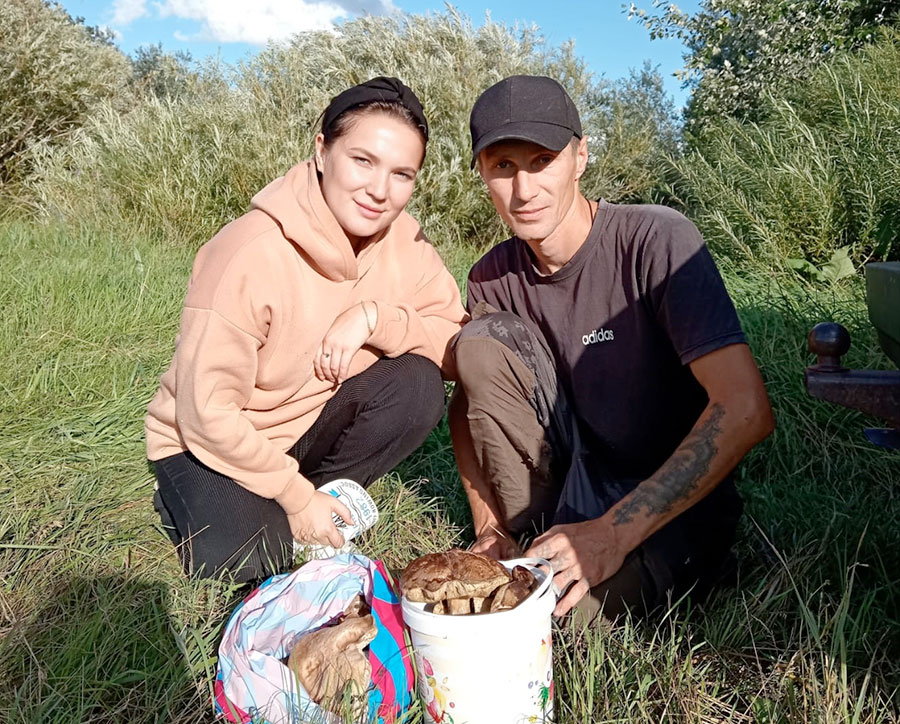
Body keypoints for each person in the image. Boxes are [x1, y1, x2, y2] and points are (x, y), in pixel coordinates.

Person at [449, 75, 775, 622]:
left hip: (666, 503)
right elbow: (465, 407)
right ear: (483, 173)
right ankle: (532, 532)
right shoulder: (490, 276)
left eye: (542, 160)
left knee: (556, 626)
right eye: (503, 166)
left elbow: (745, 409)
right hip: (566, 480)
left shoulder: (656, 240)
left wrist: (611, 533)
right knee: (477, 344)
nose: (524, 190)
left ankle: (640, 560)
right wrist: (491, 528)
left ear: (580, 157)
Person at [146, 77, 467, 583]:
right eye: (362, 160)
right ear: (322, 151)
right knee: (251, 558)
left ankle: (313, 498)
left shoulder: (406, 241)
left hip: (303, 425)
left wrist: (373, 319)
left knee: (419, 385)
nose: (380, 191)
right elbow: (206, 411)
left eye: (402, 174)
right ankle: (211, 500)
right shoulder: (250, 252)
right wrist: (295, 499)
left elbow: (453, 346)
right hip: (210, 440)